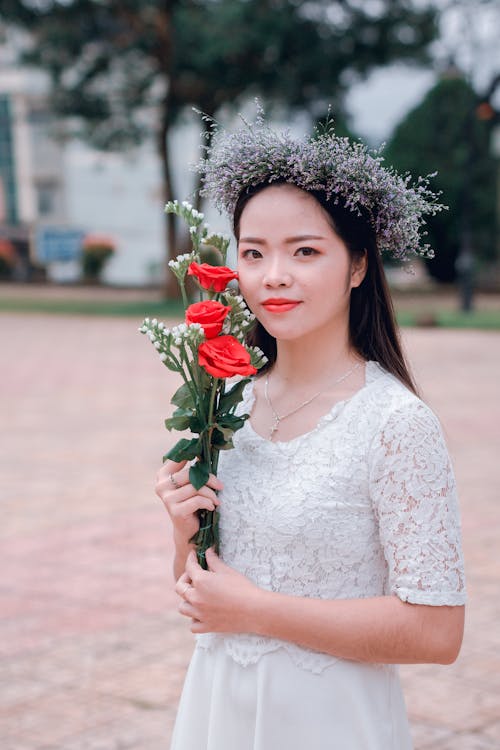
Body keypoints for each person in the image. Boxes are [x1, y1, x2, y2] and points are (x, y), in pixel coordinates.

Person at [155, 112, 466, 750]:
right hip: (219, 706)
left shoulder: (396, 424)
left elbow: (438, 633)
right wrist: (185, 533)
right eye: (253, 252)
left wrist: (257, 610)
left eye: (305, 251)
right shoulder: (225, 402)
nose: (274, 276)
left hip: (328, 719)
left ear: (356, 266)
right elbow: (203, 594)